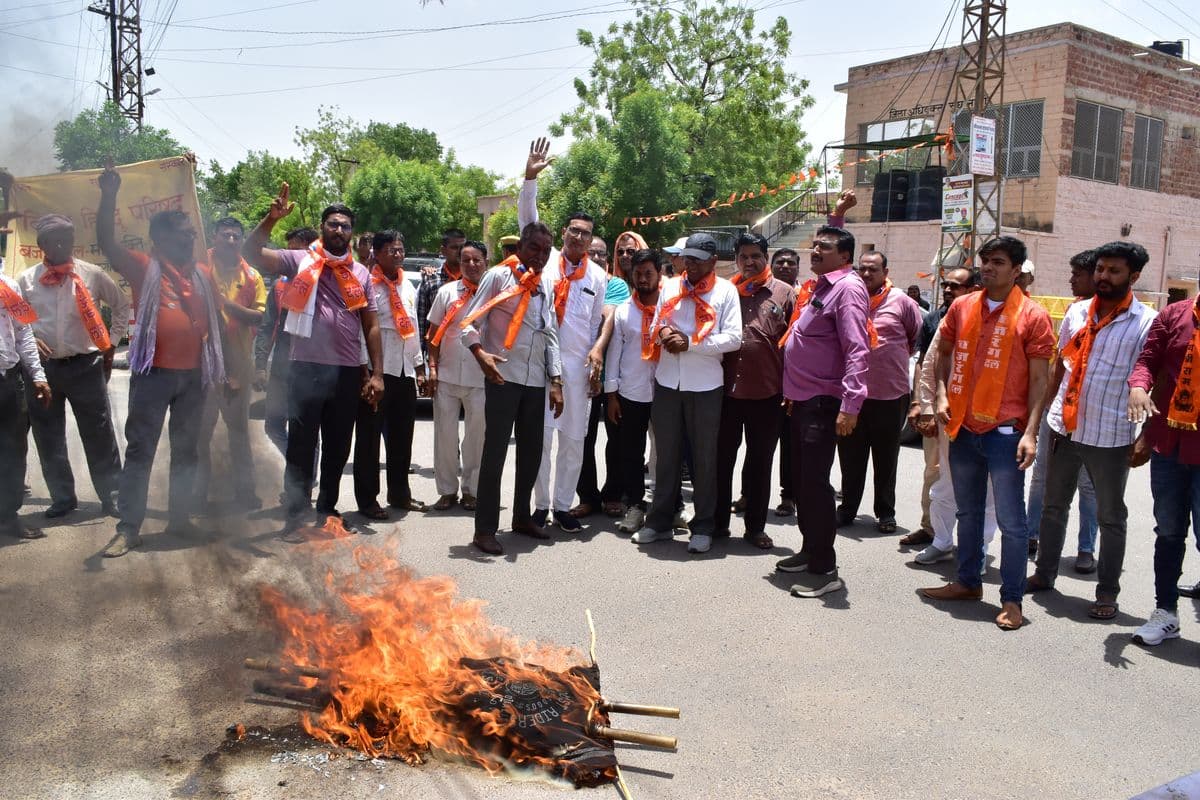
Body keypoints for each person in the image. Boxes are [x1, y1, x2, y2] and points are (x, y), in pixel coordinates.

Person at [922, 236, 1055, 631]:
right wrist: (942, 395)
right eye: (985, 261)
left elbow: (1039, 381)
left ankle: (1012, 600)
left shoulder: (1033, 316)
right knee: (968, 511)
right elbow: (942, 352)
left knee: (1013, 523)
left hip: (1004, 432)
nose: (988, 268)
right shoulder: (963, 307)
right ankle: (967, 582)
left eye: (998, 262)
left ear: (1017, 270)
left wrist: (1030, 432)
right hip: (963, 427)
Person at [97, 165, 228, 557]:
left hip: (193, 378)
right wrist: (109, 195)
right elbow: (106, 241)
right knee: (141, 450)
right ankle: (128, 528)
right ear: (160, 238)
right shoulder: (143, 266)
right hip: (153, 375)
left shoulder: (203, 273)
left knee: (186, 451)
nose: (191, 236)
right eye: (184, 232)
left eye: (191, 232)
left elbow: (217, 321)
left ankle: (180, 520)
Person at [242, 183, 385, 538]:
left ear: (351, 232)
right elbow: (252, 251)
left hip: (347, 372)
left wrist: (377, 373)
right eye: (333, 224)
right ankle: (295, 514)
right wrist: (271, 218)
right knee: (302, 447)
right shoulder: (300, 260)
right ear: (323, 228)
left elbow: (371, 325)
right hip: (304, 368)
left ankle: (327, 510)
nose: (339, 230)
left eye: (345, 226)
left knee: (338, 446)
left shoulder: (362, 274)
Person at [1024, 241, 1154, 620]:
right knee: (1052, 507)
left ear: (1133, 277)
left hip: (1111, 435)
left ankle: (1107, 592)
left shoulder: (1145, 322)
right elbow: (1060, 368)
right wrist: (1042, 416)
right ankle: (1044, 574)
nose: (1103, 277)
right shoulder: (1078, 312)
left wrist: (1144, 434)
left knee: (1111, 517)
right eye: (1100, 269)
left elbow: (1149, 376)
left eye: (1113, 271)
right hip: (1062, 427)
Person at [518, 140, 609, 533]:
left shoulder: (598, 278)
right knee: (540, 437)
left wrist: (593, 360)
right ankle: (539, 505)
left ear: (591, 241)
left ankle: (563, 505)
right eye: (573, 230)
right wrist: (530, 180)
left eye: (585, 234)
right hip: (540, 363)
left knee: (574, 438)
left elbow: (594, 327)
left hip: (575, 365)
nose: (577, 237)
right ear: (564, 233)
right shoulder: (545, 258)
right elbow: (527, 220)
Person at [773, 225, 869, 597]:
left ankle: (825, 569)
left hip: (824, 403)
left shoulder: (847, 288)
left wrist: (851, 405)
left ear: (844, 257)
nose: (815, 251)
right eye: (813, 246)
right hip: (801, 400)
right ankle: (810, 550)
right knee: (802, 482)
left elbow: (857, 348)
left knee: (814, 486)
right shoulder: (826, 285)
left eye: (824, 248)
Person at [632, 232, 742, 554]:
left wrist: (691, 343)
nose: (689, 264)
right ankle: (659, 522)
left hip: (706, 386)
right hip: (667, 382)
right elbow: (655, 325)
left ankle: (704, 525)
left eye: (696, 259)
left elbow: (734, 338)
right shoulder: (669, 286)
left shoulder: (725, 291)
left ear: (712, 261)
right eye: (686, 258)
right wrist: (663, 331)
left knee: (705, 458)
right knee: (666, 456)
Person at [461, 221, 564, 555]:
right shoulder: (498, 277)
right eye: (534, 248)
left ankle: (521, 517)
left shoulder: (545, 283)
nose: (540, 256)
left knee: (533, 452)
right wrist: (481, 355)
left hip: (536, 381)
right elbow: (468, 326)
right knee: (495, 454)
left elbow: (550, 334)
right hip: (503, 378)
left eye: (547, 251)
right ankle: (485, 529)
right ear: (520, 245)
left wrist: (557, 380)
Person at [17, 213, 127, 519]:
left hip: (85, 366)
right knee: (48, 434)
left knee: (99, 431)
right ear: (43, 246)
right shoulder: (26, 280)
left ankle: (113, 495)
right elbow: (16, 321)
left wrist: (112, 342)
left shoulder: (91, 274)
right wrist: (31, 338)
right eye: (55, 240)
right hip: (42, 371)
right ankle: (63, 498)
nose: (63, 244)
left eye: (67, 237)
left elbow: (120, 304)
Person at [1125, 268, 1200, 645]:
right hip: (1169, 445)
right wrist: (1139, 387)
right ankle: (1165, 612)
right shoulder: (1174, 315)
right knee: (1168, 532)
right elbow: (1147, 361)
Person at [909, 268, 999, 566]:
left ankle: (980, 550)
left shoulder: (1019, 315)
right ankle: (942, 541)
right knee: (944, 482)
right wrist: (925, 406)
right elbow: (932, 362)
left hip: (995, 420)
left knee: (986, 492)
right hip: (952, 416)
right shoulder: (957, 313)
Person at [712, 232, 794, 549]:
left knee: (760, 464)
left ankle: (755, 527)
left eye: (755, 256)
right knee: (721, 461)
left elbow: (793, 347)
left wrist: (789, 389)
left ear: (765, 256)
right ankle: (717, 523)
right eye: (743, 256)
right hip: (726, 394)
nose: (749, 262)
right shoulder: (725, 292)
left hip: (768, 394)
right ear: (736, 259)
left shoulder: (785, 293)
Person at [836, 250, 922, 533]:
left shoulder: (902, 302)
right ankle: (847, 508)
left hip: (890, 394)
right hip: (852, 396)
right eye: (862, 269)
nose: (867, 274)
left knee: (886, 458)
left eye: (873, 269)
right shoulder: (849, 299)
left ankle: (885, 512)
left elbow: (914, 337)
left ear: (886, 272)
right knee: (850, 457)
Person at [1025, 249, 1100, 564]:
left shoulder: (1120, 316)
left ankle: (1085, 549)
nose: (1071, 280)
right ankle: (1031, 535)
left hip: (1093, 415)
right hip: (1058, 410)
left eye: (1077, 275)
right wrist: (1044, 408)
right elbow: (1059, 366)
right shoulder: (1074, 312)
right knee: (1042, 475)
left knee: (1088, 484)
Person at [351, 230, 427, 519]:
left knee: (401, 438)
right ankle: (367, 500)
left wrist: (420, 368)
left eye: (401, 249)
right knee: (369, 440)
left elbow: (412, 330)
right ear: (377, 254)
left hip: (404, 372)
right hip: (376, 373)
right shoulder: (367, 285)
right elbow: (360, 333)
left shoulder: (406, 285)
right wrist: (365, 374)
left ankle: (399, 494)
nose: (398, 254)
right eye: (391, 250)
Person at [195, 217, 266, 512]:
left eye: (237, 236)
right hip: (201, 364)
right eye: (226, 236)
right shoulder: (198, 266)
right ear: (214, 237)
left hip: (237, 362)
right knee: (200, 432)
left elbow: (259, 317)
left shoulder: (252, 276)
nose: (232, 241)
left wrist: (224, 303)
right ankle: (197, 496)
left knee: (238, 433)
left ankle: (246, 493)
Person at [901, 267, 975, 547]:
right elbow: (924, 362)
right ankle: (929, 528)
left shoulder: (977, 319)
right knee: (933, 469)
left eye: (955, 287)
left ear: (971, 290)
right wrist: (920, 402)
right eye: (946, 285)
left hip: (968, 412)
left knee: (967, 474)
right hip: (935, 407)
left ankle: (966, 538)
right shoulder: (933, 318)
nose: (947, 290)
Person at [573, 231, 639, 519]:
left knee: (617, 437)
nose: (599, 257)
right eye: (594, 252)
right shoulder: (575, 281)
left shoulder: (618, 285)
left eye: (603, 253)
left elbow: (607, 314)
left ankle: (614, 494)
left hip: (613, 374)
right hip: (580, 372)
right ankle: (587, 497)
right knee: (582, 438)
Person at [426, 240, 488, 511]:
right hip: (448, 375)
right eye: (466, 260)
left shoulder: (494, 294)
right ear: (459, 263)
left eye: (477, 260)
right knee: (445, 435)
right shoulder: (446, 292)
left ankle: (472, 490)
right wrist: (432, 367)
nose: (471, 265)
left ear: (486, 262)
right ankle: (447, 491)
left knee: (477, 437)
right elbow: (433, 334)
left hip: (480, 378)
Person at [605, 248, 662, 534]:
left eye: (648, 273)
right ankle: (636, 506)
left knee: (665, 452)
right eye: (638, 274)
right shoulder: (624, 310)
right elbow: (614, 352)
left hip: (665, 390)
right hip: (631, 392)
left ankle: (669, 505)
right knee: (631, 452)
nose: (642, 279)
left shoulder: (671, 306)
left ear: (659, 274)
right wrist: (612, 395)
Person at [255, 226, 318, 460]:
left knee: (308, 427)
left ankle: (307, 480)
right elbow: (266, 326)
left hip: (311, 367)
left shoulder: (324, 285)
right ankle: (296, 469)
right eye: (287, 251)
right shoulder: (280, 287)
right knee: (273, 426)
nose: (288, 258)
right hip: (282, 366)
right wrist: (260, 365)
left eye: (295, 251)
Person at [0, 269, 50, 540]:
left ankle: (8, 517)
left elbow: (23, 333)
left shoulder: (8, 285)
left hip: (8, 380)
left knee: (13, 451)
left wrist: (38, 376)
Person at [769, 246, 801, 518]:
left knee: (792, 443)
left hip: (798, 384)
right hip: (768, 381)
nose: (786, 266)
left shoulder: (808, 295)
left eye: (791, 263)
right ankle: (748, 494)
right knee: (761, 445)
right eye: (780, 262)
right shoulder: (762, 293)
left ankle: (788, 496)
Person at [417, 228, 466, 349]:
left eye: (463, 247)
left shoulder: (475, 280)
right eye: (454, 247)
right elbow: (422, 320)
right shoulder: (431, 279)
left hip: (468, 350)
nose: (460, 252)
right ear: (443, 250)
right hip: (438, 350)